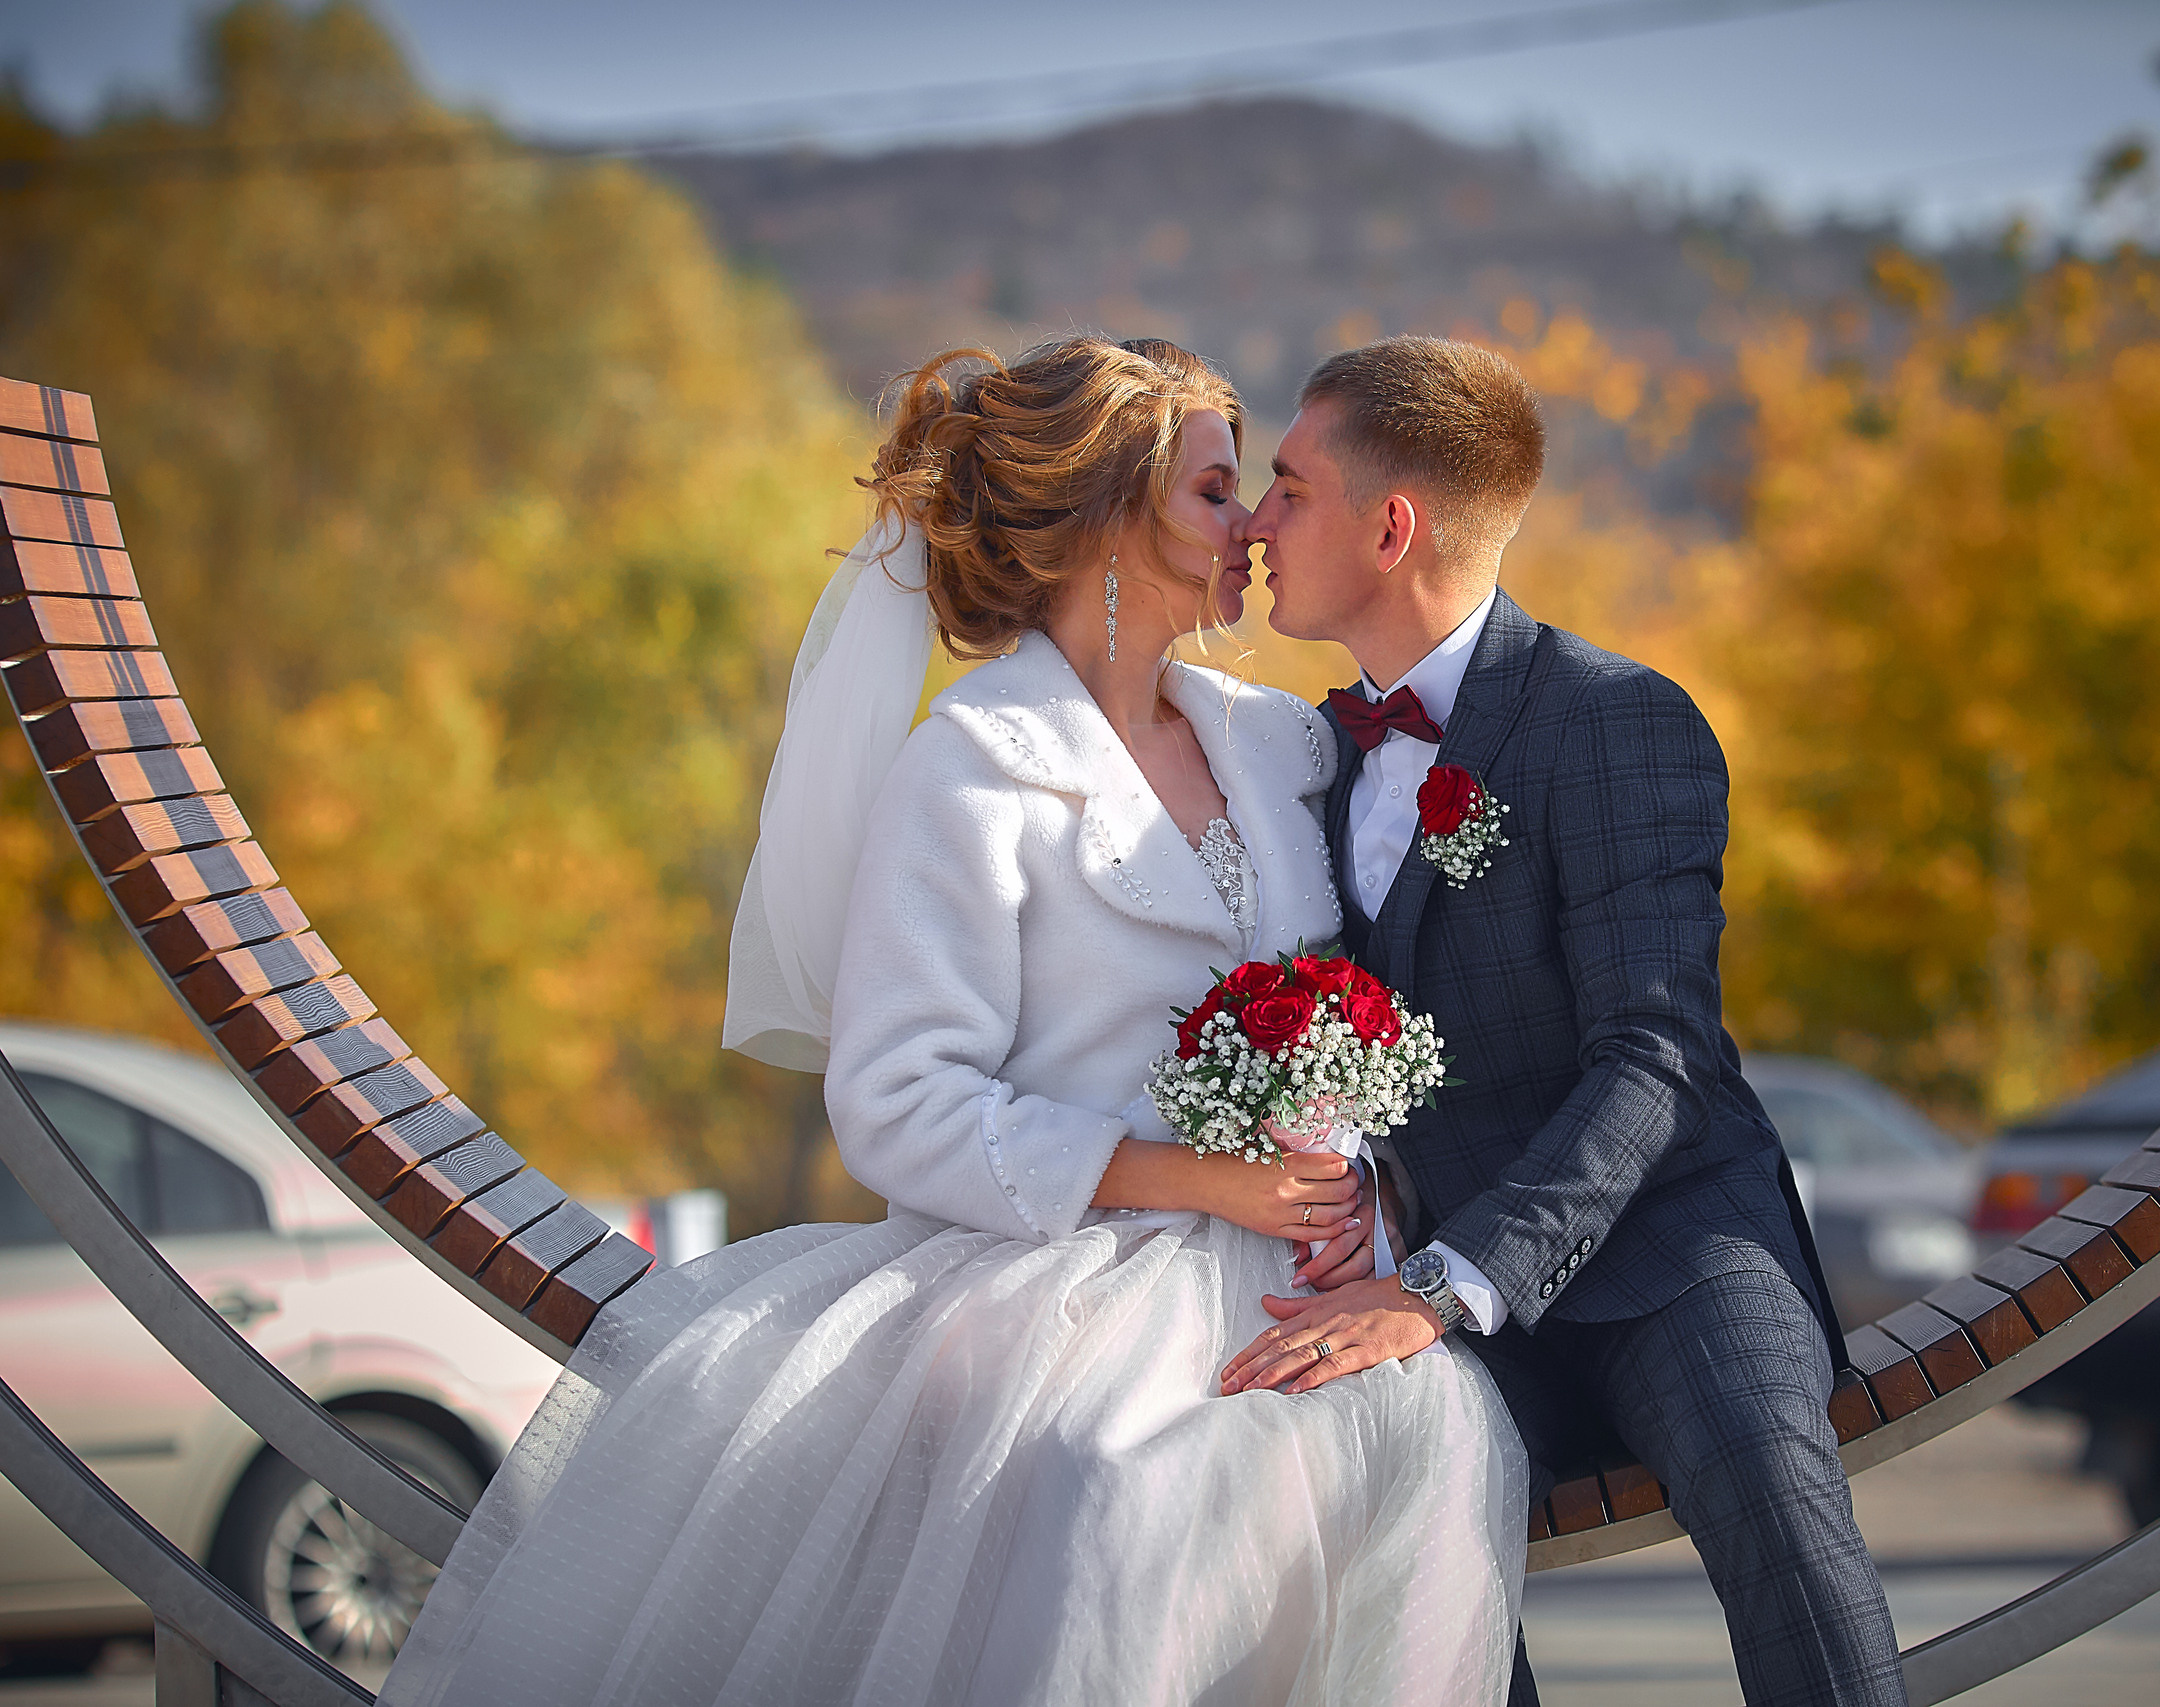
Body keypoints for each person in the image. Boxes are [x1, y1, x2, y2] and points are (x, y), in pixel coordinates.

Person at [378, 336, 1528, 1707]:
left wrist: (1360, 1179)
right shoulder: (977, 768)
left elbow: (1380, 1028)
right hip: (1064, 1277)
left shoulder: (1278, 746)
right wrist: (1192, 1177)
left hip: (1302, 1267)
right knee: (1128, 1477)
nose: (1257, 526)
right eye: (1218, 492)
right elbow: (897, 1100)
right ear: (1109, 518)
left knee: (1438, 1433)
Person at [1225, 337, 1909, 1707]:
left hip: (1673, 1252)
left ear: (1391, 523)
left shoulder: (1617, 722)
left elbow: (1655, 1057)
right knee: (1375, 1509)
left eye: (1287, 488)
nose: (1253, 522)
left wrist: (1439, 1287)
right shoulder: (1301, 752)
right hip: (1450, 1299)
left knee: (1777, 1506)